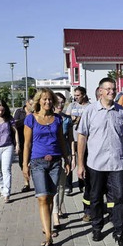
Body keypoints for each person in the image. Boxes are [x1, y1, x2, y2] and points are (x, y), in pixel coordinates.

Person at [77, 78, 123, 246]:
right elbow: (82, 136)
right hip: (96, 164)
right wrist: (80, 163)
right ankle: (97, 226)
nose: (111, 91)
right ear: (100, 91)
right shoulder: (90, 111)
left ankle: (119, 232)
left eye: (113, 88)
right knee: (95, 198)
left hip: (117, 163)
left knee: (120, 198)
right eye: (107, 89)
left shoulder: (121, 111)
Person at [22, 88, 71, 246]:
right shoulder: (31, 119)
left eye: (50, 99)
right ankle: (48, 235)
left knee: (50, 197)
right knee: (42, 197)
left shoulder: (57, 119)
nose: (48, 102)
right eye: (44, 99)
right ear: (38, 101)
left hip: (55, 162)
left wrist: (67, 159)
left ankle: (47, 228)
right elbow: (27, 144)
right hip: (37, 162)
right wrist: (24, 165)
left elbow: (62, 141)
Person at [51, 93, 73, 235]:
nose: (60, 105)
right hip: (52, 155)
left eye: (62, 102)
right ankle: (54, 216)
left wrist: (73, 156)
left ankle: (59, 208)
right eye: (57, 102)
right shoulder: (48, 119)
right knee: (54, 186)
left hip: (65, 154)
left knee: (62, 185)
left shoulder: (66, 119)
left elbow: (71, 138)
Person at [65, 86, 90, 195]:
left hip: (85, 140)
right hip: (72, 139)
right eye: (74, 96)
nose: (76, 98)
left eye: (78, 95)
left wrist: (77, 119)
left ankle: (82, 184)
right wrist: (75, 119)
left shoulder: (89, 107)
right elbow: (67, 120)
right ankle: (68, 186)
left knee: (83, 162)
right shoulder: (72, 105)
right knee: (70, 162)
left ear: (84, 95)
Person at [13, 98, 33, 192]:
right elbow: (15, 124)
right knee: (23, 162)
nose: (32, 106)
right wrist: (27, 118)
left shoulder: (37, 112)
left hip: (33, 141)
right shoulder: (19, 112)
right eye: (31, 104)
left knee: (33, 162)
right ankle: (26, 183)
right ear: (26, 103)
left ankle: (36, 182)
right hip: (22, 140)